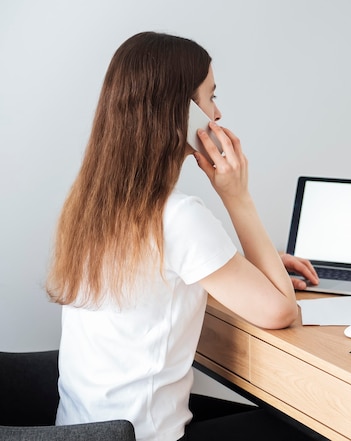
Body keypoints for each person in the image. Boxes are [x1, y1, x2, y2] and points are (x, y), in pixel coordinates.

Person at [46, 31, 320, 441]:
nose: (218, 113)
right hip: (141, 437)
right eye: (210, 98)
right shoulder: (178, 216)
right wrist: (237, 197)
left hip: (81, 430)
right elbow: (281, 312)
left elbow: (160, 274)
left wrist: (241, 264)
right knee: (310, 428)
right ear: (181, 112)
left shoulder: (93, 204)